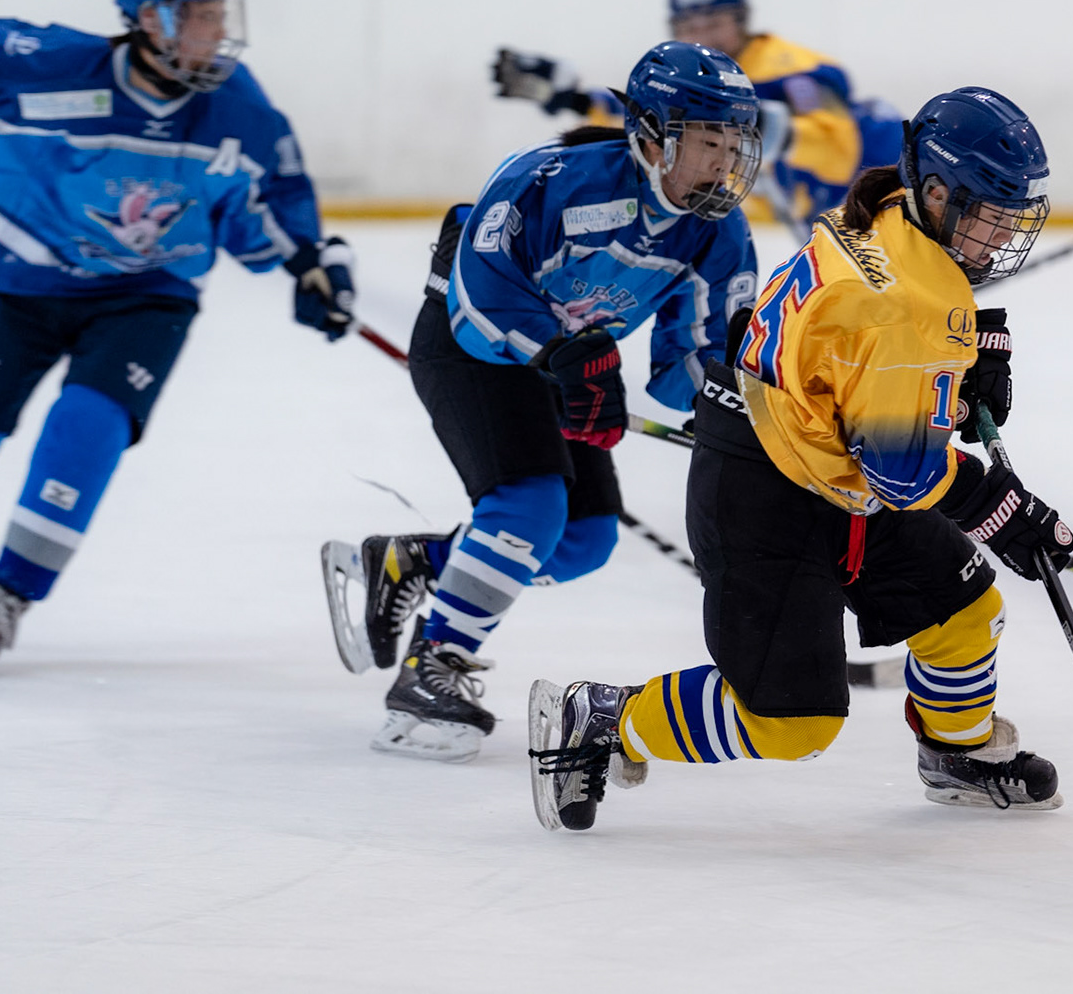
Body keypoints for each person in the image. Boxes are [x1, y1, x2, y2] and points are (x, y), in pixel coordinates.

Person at [526, 86, 1073, 833]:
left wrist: (964, 350)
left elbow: (861, 351)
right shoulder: (904, 308)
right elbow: (904, 471)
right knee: (791, 721)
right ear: (938, 193)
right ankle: (603, 718)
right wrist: (1003, 510)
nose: (1002, 236)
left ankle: (958, 754)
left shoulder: (887, 207)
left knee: (963, 612)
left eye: (1013, 218)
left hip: (824, 455)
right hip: (764, 492)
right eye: (990, 216)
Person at [325, 40, 763, 763]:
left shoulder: (716, 231)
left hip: (569, 367)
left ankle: (414, 563)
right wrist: (562, 355)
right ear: (653, 136)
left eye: (733, 145)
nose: (723, 164)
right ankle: (432, 670)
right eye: (707, 143)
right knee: (528, 508)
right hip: (472, 343)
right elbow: (481, 293)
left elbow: (700, 349)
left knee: (584, 542)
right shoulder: (551, 179)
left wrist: (732, 409)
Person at [0, 0, 353, 656]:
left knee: (89, 424)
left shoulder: (239, 109)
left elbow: (270, 202)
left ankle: (8, 595)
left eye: (221, 14)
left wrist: (312, 266)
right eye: (202, 15)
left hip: (146, 295)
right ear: (150, 17)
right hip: (16, 277)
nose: (219, 31)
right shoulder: (46, 66)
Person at [491, 0, 902, 232]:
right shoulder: (704, 81)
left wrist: (759, 124)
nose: (702, 36)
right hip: (837, 218)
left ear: (741, 18)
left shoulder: (796, 72)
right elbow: (655, 123)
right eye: (689, 26)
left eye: (713, 22)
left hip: (894, 196)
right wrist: (578, 100)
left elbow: (839, 154)